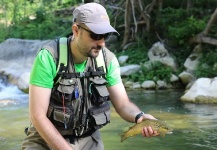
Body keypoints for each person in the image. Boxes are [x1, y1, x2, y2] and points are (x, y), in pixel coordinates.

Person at [22, 2, 159, 150]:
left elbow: (123, 104)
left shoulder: (108, 60)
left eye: (105, 35)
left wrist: (140, 116)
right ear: (76, 30)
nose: (101, 43)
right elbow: (37, 116)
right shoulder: (49, 57)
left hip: (88, 138)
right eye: (95, 35)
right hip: (46, 138)